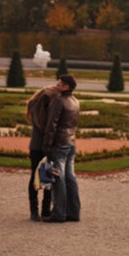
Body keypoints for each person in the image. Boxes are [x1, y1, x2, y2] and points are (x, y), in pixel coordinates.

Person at [41, 74, 81, 223]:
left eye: (59, 84)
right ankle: (74, 212)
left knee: (59, 179)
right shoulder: (75, 101)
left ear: (66, 87)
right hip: (71, 143)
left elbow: (52, 125)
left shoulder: (59, 101)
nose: (56, 86)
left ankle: (59, 213)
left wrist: (46, 145)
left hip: (59, 144)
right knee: (70, 178)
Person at [25, 84, 58, 221]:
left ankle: (34, 210)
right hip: (46, 146)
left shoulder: (33, 104)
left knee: (35, 175)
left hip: (35, 146)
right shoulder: (48, 107)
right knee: (47, 177)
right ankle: (45, 210)